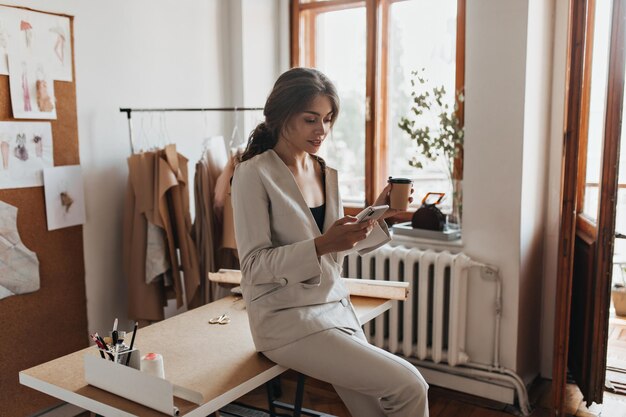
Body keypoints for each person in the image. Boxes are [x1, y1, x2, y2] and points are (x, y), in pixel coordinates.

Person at [231, 67, 429, 417]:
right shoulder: (253, 174)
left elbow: (338, 250)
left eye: (327, 118)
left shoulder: (326, 171)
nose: (322, 130)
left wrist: (379, 214)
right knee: (410, 385)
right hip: (285, 320)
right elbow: (254, 267)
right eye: (311, 119)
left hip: (334, 306)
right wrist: (322, 244)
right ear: (281, 115)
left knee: (373, 411)